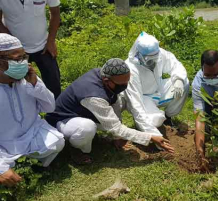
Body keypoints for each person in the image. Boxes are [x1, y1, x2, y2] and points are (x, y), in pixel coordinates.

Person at [46, 58, 174, 164]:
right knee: (86, 128)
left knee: (122, 99)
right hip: (63, 121)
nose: (124, 86)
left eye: (127, 82)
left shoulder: (101, 75)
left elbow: (115, 104)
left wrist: (118, 137)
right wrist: (150, 137)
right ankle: (76, 149)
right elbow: (115, 127)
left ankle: (96, 139)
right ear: (107, 80)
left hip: (84, 112)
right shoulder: (94, 96)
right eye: (121, 84)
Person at [0, 34, 65, 187]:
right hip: (3, 146)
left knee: (57, 142)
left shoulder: (28, 78)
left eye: (24, 57)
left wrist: (35, 85)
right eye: (17, 59)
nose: (22, 63)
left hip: (32, 135)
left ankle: (25, 167)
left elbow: (50, 107)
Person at [124, 32, 189, 137]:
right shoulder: (130, 69)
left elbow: (175, 65)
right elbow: (135, 103)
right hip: (143, 98)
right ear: (139, 54)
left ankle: (168, 117)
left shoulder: (160, 53)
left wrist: (179, 80)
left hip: (158, 89)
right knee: (155, 121)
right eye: (150, 59)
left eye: (155, 57)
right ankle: (142, 124)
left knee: (183, 83)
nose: (153, 61)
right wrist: (155, 136)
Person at [0, 0, 62, 98]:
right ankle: (24, 109)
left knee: (53, 83)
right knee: (15, 84)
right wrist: (13, 45)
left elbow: (55, 12)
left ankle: (56, 110)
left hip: (44, 45)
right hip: (16, 52)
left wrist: (51, 41)